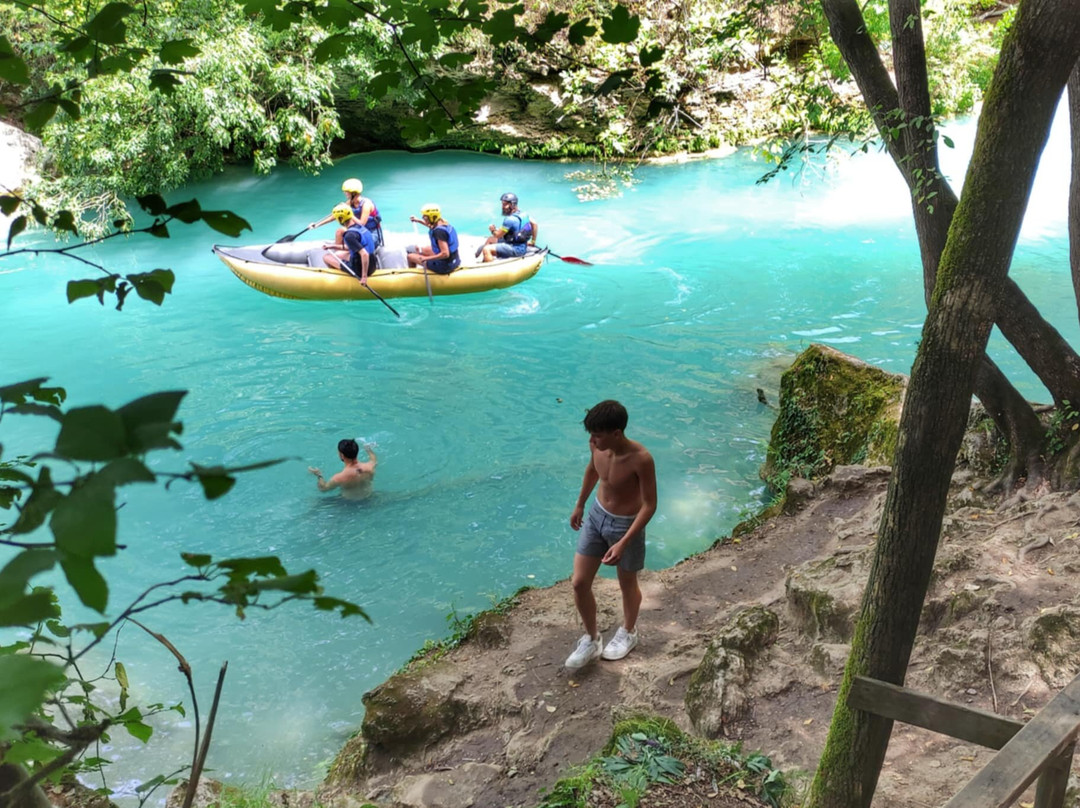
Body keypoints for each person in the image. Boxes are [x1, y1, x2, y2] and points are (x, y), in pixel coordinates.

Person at [565, 400, 657, 668]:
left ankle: (629, 633)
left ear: (616, 433)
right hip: (596, 516)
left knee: (627, 583)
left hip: (625, 525)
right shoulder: (597, 446)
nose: (592, 440)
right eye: (591, 434)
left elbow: (650, 505)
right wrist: (580, 503)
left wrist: (624, 541)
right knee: (579, 582)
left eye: (598, 434)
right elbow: (593, 470)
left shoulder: (641, 459)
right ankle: (592, 640)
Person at [307, 178, 383, 250]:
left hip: (371, 234)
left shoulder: (366, 204)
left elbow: (362, 223)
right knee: (339, 231)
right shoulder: (350, 202)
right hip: (359, 231)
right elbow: (334, 216)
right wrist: (317, 225)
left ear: (353, 192)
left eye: (347, 191)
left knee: (354, 242)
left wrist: (349, 213)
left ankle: (348, 254)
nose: (344, 193)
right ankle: (339, 254)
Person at [308, 439, 377, 501]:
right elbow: (373, 459)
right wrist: (368, 449)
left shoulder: (339, 477)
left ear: (342, 455)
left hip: (349, 503)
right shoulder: (370, 467)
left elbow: (323, 489)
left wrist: (319, 475)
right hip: (368, 498)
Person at [324, 204, 376, 284]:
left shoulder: (349, 235)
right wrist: (332, 246)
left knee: (326, 257)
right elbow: (354, 247)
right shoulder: (361, 227)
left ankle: (341, 278)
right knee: (337, 254)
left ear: (340, 219)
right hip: (373, 265)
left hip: (359, 268)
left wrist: (364, 277)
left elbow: (364, 254)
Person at [480, 192, 538, 263]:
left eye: (504, 204)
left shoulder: (509, 220)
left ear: (512, 204)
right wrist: (533, 241)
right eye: (502, 204)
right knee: (490, 239)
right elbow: (534, 224)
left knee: (486, 249)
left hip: (515, 249)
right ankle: (484, 260)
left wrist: (492, 230)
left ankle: (490, 268)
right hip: (521, 245)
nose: (502, 207)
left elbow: (498, 235)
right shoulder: (523, 214)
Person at [406, 203, 461, 275]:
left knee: (410, 256)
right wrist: (418, 220)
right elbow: (431, 226)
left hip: (444, 267)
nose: (423, 218)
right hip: (454, 260)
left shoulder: (439, 232)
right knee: (425, 249)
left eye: (425, 217)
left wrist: (425, 258)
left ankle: (412, 277)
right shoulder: (443, 223)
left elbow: (445, 254)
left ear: (432, 217)